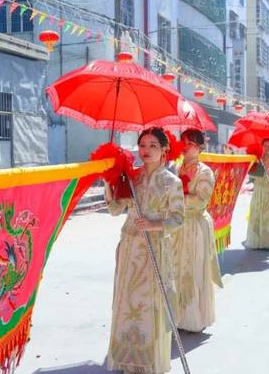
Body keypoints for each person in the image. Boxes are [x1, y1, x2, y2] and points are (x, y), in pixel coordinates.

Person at [103, 127, 185, 374]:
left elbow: (179, 218)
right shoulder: (131, 177)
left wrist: (154, 225)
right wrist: (109, 184)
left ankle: (149, 362)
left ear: (164, 151)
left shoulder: (172, 182)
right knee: (127, 302)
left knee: (150, 303)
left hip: (154, 249)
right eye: (142, 145)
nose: (146, 150)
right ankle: (128, 359)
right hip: (129, 247)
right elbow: (115, 210)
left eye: (153, 146)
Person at [174, 128, 222, 333]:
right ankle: (176, 316)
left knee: (192, 269)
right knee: (175, 269)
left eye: (191, 143)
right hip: (175, 225)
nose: (185, 146)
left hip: (194, 224)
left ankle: (194, 319)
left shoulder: (205, 172)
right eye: (183, 141)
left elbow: (201, 201)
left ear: (200, 147)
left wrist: (174, 200)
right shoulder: (175, 168)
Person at [243, 138, 269, 251]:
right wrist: (256, 164)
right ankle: (258, 242)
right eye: (265, 146)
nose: (267, 148)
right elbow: (252, 177)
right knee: (258, 215)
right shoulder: (258, 160)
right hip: (260, 191)